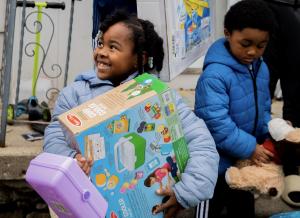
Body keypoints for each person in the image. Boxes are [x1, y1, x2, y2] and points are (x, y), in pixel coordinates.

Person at [43, 10, 219, 218]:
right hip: (89, 205)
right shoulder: (76, 93)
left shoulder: (158, 96)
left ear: (138, 59)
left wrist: (184, 193)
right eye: (101, 44)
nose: (101, 52)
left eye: (113, 47)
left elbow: (202, 144)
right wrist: (74, 160)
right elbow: (54, 137)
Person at [194, 0, 275, 217]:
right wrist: (250, 147)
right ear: (228, 33)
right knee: (211, 204)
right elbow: (215, 123)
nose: (253, 52)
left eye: (261, 45)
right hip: (216, 163)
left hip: (245, 160)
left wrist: (271, 130)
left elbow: (264, 106)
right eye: (245, 43)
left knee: (243, 205)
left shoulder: (261, 67)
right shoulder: (215, 76)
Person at [262, 0, 300, 177]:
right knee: (260, 91)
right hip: (265, 7)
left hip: (295, 10)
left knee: (296, 95)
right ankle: (257, 163)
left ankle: (292, 164)